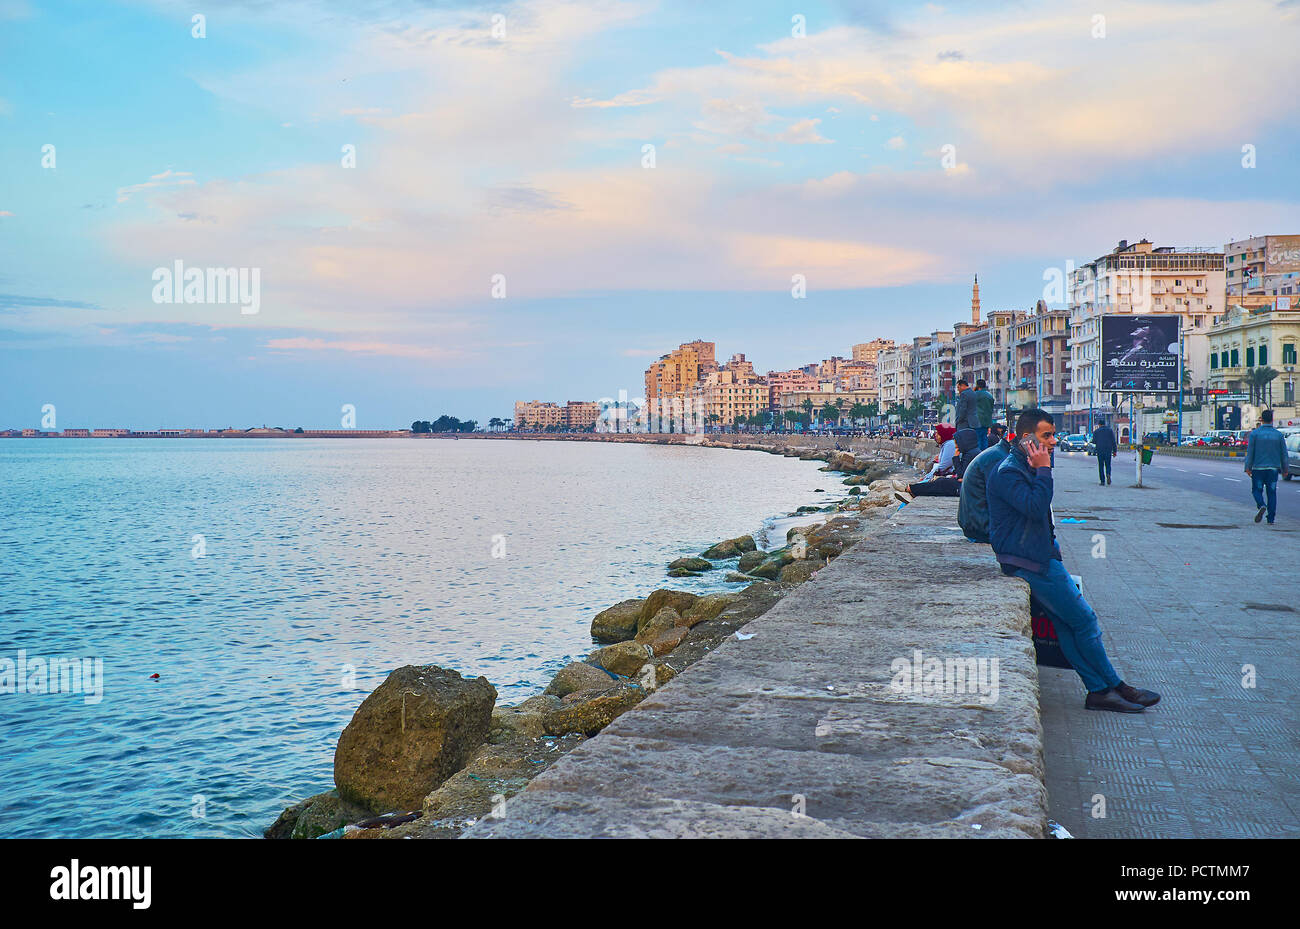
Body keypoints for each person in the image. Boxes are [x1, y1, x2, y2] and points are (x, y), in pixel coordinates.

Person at [987, 408, 1161, 713]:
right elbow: (1034, 506)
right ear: (1027, 438)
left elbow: (1042, 517)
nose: (1053, 442)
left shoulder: (1022, 465)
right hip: (1028, 561)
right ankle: (1115, 685)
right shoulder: (1009, 471)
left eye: (1053, 435)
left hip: (1037, 555)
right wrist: (1044, 469)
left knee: (1066, 625)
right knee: (1084, 620)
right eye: (1047, 436)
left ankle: (1100, 690)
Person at [958, 424, 1009, 542]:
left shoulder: (998, 453)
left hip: (975, 524)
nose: (1052, 441)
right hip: (981, 528)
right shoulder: (997, 457)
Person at [1244, 409, 1290, 524]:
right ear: (1272, 420)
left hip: (1258, 469)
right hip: (1273, 470)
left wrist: (1247, 467)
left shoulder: (1255, 434)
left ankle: (1261, 505)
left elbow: (1250, 452)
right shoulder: (1278, 435)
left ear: (1261, 419)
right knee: (1272, 493)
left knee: (1256, 490)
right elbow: (1284, 454)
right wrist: (1285, 469)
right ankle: (1271, 519)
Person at [902, 423, 961, 498]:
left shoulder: (949, 445)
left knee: (933, 484)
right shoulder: (946, 445)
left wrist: (928, 477)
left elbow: (943, 467)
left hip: (948, 478)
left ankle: (908, 489)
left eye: (938, 433)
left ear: (944, 434)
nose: (935, 435)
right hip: (947, 477)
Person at [1092, 417, 1116, 485]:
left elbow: (1094, 441)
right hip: (1108, 450)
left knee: (1101, 465)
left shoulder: (1096, 431)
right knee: (1108, 464)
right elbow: (1113, 441)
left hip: (1100, 450)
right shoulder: (1110, 430)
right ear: (1105, 424)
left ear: (1099, 424)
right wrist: (1114, 451)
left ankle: (1102, 481)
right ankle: (1108, 474)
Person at [972, 379, 995, 450]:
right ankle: (983, 455)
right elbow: (991, 409)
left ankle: (978, 456)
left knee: (977, 441)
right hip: (986, 422)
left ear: (977, 385)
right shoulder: (990, 396)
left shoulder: (974, 395)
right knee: (984, 440)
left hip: (976, 422)